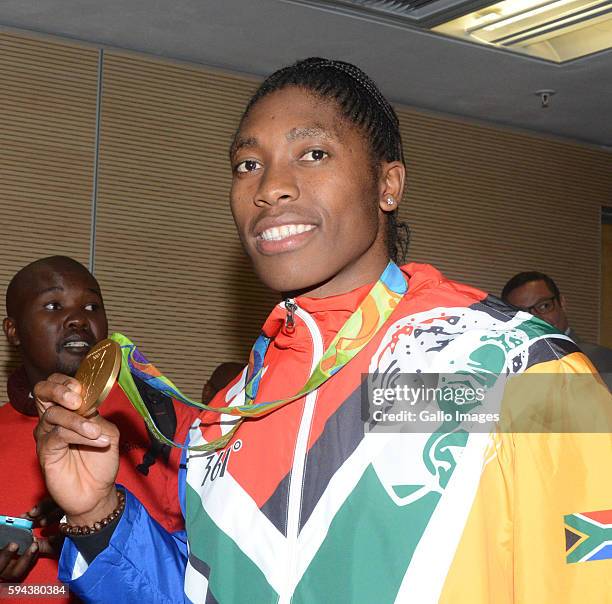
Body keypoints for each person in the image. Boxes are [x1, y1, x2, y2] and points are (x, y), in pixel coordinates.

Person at [33, 59, 611, 603]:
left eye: (312, 153)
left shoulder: (513, 367)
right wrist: (97, 516)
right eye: (247, 165)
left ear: (388, 184)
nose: (269, 187)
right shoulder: (228, 417)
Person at [0, 256, 197, 592]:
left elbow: (212, 563)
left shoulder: (166, 416)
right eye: (53, 305)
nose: (78, 318)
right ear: (13, 331)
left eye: (92, 306)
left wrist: (93, 529)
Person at [502, 271, 612, 390]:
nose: (536, 320)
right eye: (522, 315)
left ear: (562, 303)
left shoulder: (599, 358)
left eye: (544, 306)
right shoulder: (506, 369)